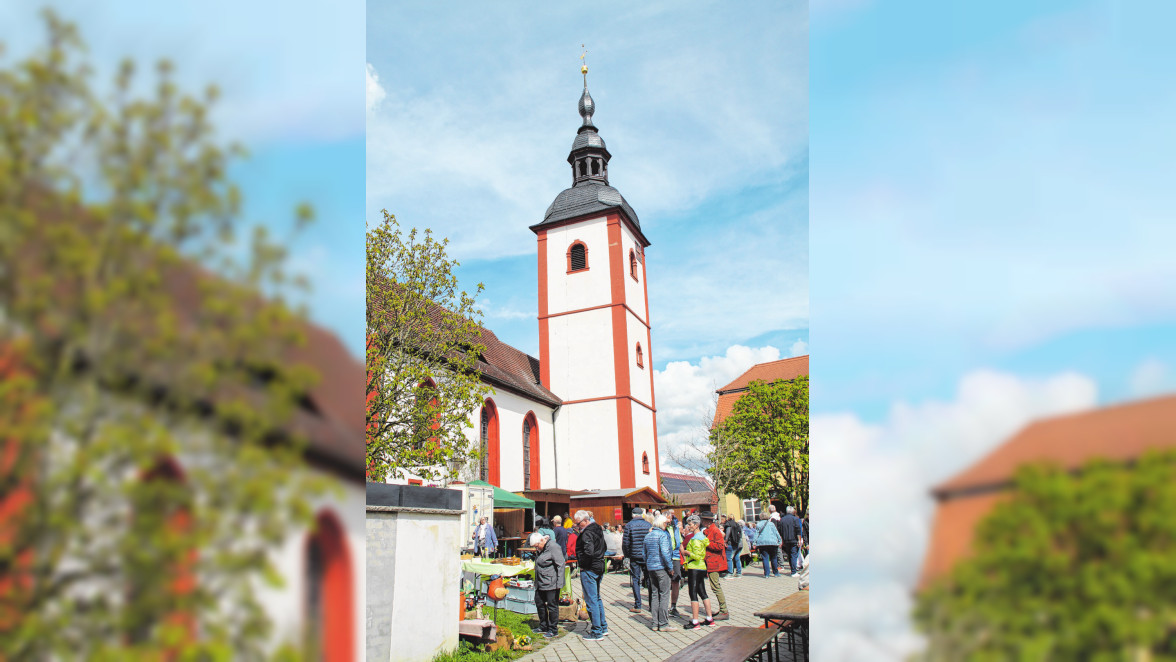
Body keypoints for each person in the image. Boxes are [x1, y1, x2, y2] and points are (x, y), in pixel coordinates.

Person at [574, 510, 608, 641]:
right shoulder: (598, 529)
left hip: (590, 568)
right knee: (597, 598)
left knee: (591, 600)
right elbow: (603, 546)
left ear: (585, 521)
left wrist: (582, 563)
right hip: (599, 566)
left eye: (578, 524)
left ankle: (596, 632)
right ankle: (603, 627)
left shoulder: (587, 533)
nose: (577, 526)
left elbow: (588, 552)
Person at [642, 513, 677, 632]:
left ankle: (654, 623)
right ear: (662, 524)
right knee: (664, 595)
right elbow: (665, 553)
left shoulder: (648, 535)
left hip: (651, 567)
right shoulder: (662, 535)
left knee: (655, 595)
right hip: (661, 567)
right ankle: (663, 623)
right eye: (666, 523)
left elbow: (644, 553)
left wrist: (648, 564)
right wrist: (670, 567)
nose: (667, 525)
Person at [682, 515, 716, 629]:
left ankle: (695, 621)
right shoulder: (702, 537)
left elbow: (696, 555)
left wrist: (686, 552)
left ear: (696, 525)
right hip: (702, 567)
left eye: (690, 525)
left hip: (694, 566)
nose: (689, 527)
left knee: (693, 593)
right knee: (702, 592)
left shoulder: (696, 539)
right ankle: (709, 618)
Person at [530, 531, 565, 638]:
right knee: (539, 602)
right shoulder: (542, 548)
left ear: (542, 540)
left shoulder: (553, 547)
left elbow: (561, 564)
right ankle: (543, 625)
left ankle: (553, 629)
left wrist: (559, 583)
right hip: (541, 582)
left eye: (537, 546)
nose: (536, 548)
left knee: (552, 605)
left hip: (552, 582)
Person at [622, 507, 652, 613]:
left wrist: (627, 555)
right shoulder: (648, 525)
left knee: (635, 579)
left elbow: (626, 542)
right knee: (649, 580)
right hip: (646, 556)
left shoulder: (629, 525)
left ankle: (638, 605)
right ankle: (652, 605)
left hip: (634, 555)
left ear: (632, 515)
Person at [700, 512, 729, 619]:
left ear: (707, 521)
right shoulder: (709, 530)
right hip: (712, 561)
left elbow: (720, 546)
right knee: (715, 586)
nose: (702, 522)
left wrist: (707, 543)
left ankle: (724, 610)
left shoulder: (715, 531)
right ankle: (722, 609)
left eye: (703, 520)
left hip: (715, 562)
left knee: (715, 587)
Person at [754, 511, 782, 577]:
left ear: (760, 517)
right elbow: (776, 532)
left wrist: (754, 543)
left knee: (765, 558)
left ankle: (767, 574)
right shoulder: (771, 524)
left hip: (762, 543)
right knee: (774, 558)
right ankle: (776, 573)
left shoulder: (758, 524)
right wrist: (780, 541)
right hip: (773, 542)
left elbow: (756, 534)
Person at [666, 512, 684, 617]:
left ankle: (673, 606)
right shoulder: (662, 528)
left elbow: (680, 543)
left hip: (676, 557)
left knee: (676, 581)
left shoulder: (676, 529)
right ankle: (663, 606)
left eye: (672, 518)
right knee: (665, 582)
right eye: (668, 518)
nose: (670, 520)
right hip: (666, 557)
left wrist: (684, 557)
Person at [780, 506, 805, 577]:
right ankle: (793, 572)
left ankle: (792, 569)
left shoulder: (782, 520)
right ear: (792, 511)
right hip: (794, 539)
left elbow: (780, 531)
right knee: (794, 555)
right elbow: (798, 530)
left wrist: (782, 540)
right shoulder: (795, 519)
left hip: (786, 540)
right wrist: (799, 540)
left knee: (789, 555)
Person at [724, 513, 744, 577]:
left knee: (729, 558)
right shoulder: (737, 524)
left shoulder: (728, 524)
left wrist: (725, 541)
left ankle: (730, 573)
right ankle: (739, 572)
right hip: (739, 543)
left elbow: (727, 534)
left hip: (731, 543)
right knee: (737, 558)